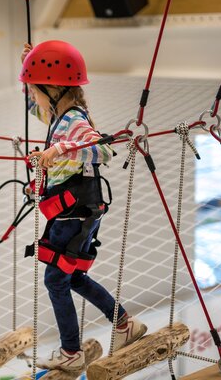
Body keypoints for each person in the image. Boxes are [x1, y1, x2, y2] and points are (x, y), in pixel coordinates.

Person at [19, 40, 147, 372]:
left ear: (53, 88)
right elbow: (35, 109)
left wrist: (62, 150)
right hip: (79, 213)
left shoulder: (73, 122)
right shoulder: (57, 115)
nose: (33, 97)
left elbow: (102, 150)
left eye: (35, 90)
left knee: (55, 279)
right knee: (72, 276)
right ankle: (124, 324)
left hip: (74, 214)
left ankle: (71, 352)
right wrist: (28, 69)